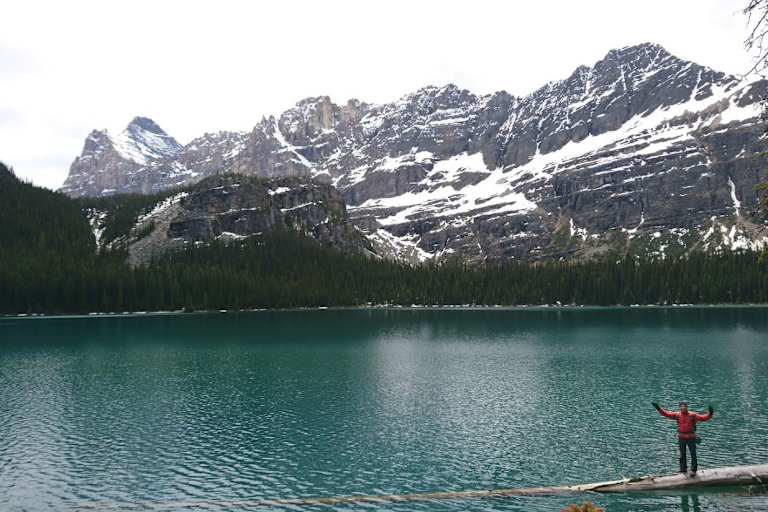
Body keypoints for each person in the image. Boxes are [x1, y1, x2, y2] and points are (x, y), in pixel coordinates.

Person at [652, 401, 713, 476]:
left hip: (691, 437)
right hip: (681, 437)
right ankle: (683, 470)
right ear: (680, 408)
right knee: (682, 454)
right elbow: (666, 414)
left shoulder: (692, 415)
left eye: (684, 406)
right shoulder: (677, 415)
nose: (683, 408)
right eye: (681, 407)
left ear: (687, 407)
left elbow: (704, 418)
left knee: (693, 454)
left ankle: (693, 470)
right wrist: (658, 408)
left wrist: (710, 413)